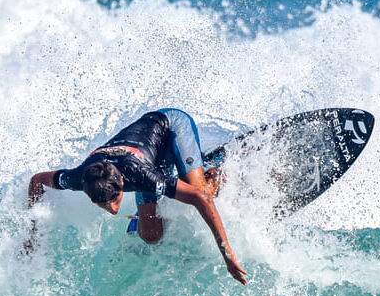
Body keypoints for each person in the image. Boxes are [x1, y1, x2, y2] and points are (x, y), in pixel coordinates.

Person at [25, 108, 248, 284]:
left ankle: (215, 166)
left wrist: (227, 254)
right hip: (147, 154)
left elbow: (202, 199)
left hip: (171, 126)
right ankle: (152, 205)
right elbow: (37, 181)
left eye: (114, 199)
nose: (112, 209)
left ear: (122, 183)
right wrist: (33, 234)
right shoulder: (78, 178)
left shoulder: (140, 175)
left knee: (200, 190)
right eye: (102, 203)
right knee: (151, 236)